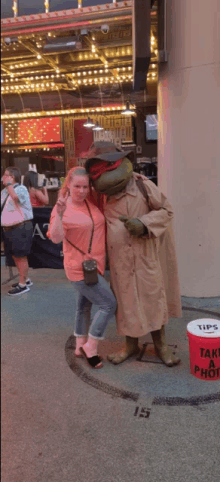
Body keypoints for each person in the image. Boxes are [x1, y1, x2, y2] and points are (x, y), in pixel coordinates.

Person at [85, 141, 182, 367]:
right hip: (119, 261)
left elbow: (166, 210)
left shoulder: (142, 186)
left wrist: (143, 223)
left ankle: (161, 345)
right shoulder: (101, 194)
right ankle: (130, 345)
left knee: (153, 299)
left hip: (145, 256)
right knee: (125, 302)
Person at [47, 166, 116, 369]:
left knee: (83, 306)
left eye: (85, 186)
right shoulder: (62, 207)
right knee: (109, 304)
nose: (82, 191)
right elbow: (56, 238)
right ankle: (91, 347)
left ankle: (79, 346)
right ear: (68, 185)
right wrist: (59, 215)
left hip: (94, 266)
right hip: (79, 269)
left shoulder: (90, 201)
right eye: (77, 186)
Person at [1, 167, 34, 295]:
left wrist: (9, 185)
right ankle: (25, 279)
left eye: (6, 175)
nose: (3, 177)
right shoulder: (4, 191)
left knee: (21, 256)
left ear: (12, 177)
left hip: (20, 227)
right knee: (15, 255)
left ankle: (23, 285)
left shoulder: (21, 188)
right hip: (9, 229)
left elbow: (16, 198)